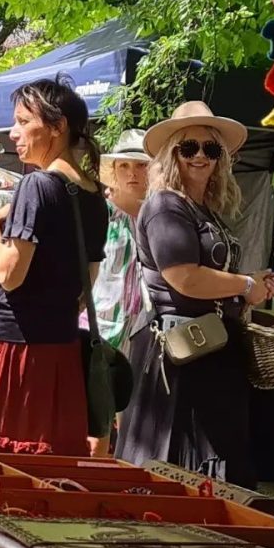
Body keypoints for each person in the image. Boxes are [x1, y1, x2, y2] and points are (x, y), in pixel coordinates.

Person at [0, 76, 109, 456]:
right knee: (45, 465)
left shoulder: (36, 186)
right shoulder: (95, 196)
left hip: (15, 347)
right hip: (60, 352)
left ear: (57, 126)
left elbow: (11, 276)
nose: (13, 133)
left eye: (22, 122)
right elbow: (86, 287)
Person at [115, 101, 274, 486]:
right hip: (178, 351)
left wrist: (246, 284)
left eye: (211, 148)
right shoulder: (165, 205)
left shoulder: (201, 208)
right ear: (172, 153)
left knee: (208, 462)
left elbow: (204, 276)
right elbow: (183, 277)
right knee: (173, 465)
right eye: (189, 148)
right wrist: (245, 285)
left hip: (208, 348)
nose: (200, 156)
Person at [85, 129, 150, 455]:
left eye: (141, 166)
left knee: (134, 410)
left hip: (143, 328)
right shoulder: (101, 214)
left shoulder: (155, 220)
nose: (134, 174)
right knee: (97, 411)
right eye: (125, 166)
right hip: (102, 323)